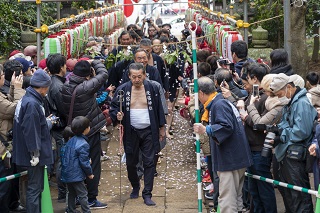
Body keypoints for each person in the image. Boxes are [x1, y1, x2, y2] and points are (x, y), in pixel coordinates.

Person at [109, 63, 166, 206]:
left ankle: (147, 193)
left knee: (149, 162)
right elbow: (114, 108)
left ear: (144, 75)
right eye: (133, 77)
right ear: (129, 76)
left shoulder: (152, 88)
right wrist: (117, 115)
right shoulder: (123, 90)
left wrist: (162, 128)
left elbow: (159, 108)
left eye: (139, 76)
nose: (137, 79)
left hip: (149, 130)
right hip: (130, 130)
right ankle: (135, 186)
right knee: (131, 163)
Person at [193, 76, 253, 213]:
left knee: (227, 198)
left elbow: (226, 127)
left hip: (229, 157)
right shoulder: (222, 101)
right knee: (236, 197)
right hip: (237, 155)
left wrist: (206, 129)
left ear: (201, 93)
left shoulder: (218, 105)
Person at [61, 59, 108, 209]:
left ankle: (76, 198)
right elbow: (104, 74)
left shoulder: (65, 86)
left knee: (77, 164)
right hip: (89, 130)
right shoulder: (86, 87)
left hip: (73, 130)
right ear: (88, 75)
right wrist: (95, 62)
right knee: (92, 164)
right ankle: (91, 198)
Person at [270, 73, 316, 212]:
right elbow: (286, 124)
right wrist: (277, 130)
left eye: (279, 94)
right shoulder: (291, 102)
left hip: (296, 154)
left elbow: (302, 131)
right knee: (290, 195)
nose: (279, 97)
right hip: (287, 153)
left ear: (289, 87)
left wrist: (282, 135)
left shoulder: (301, 103)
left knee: (299, 197)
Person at [12, 69, 54, 213]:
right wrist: (34, 153)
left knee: (35, 188)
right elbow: (31, 131)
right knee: (34, 189)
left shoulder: (28, 98)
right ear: (42, 87)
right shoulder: (32, 104)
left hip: (26, 151)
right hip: (31, 154)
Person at [0, 64, 26, 212]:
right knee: (3, 186)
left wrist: (12, 88)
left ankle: (11, 205)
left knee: (9, 182)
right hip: (2, 148)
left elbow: (8, 102)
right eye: (3, 76)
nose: (5, 77)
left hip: (5, 146)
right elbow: (15, 109)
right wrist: (18, 89)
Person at [45, 53, 68, 202]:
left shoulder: (52, 82)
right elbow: (63, 109)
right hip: (59, 127)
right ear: (61, 67)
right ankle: (62, 192)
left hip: (55, 125)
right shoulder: (58, 86)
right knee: (62, 159)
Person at [61, 116, 94, 213]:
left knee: (71, 193)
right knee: (83, 194)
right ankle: (86, 211)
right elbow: (84, 162)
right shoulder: (83, 144)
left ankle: (71, 210)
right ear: (86, 129)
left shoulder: (70, 141)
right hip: (76, 174)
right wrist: (89, 173)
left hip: (67, 172)